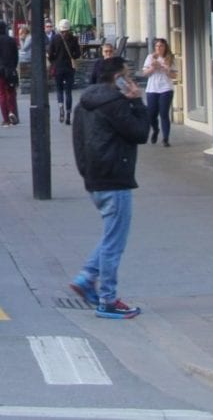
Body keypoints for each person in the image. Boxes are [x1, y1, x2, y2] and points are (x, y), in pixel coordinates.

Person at [69, 53, 149, 319]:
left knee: (110, 234)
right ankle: (108, 299)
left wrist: (86, 173)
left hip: (95, 178)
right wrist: (137, 101)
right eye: (126, 75)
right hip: (115, 177)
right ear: (118, 78)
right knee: (115, 241)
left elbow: (78, 142)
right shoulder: (116, 104)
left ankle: (87, 277)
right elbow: (140, 133)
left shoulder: (84, 103)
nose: (130, 80)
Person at [140, 38, 176, 146]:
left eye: (161, 46)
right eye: (157, 46)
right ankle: (155, 130)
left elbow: (174, 75)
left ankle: (166, 138)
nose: (159, 48)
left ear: (165, 47)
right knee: (151, 114)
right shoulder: (150, 57)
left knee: (164, 113)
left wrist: (164, 68)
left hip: (166, 88)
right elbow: (145, 73)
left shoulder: (170, 58)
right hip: (152, 89)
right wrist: (153, 67)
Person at [49, 19, 82, 125]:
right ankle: (68, 114)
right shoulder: (73, 39)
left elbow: (50, 54)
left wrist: (54, 61)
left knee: (59, 90)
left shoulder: (55, 39)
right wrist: (72, 55)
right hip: (69, 68)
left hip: (58, 67)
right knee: (68, 92)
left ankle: (60, 106)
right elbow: (77, 54)